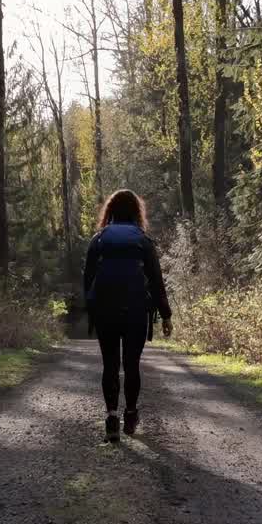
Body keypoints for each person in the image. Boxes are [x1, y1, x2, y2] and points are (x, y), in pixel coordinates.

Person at [83, 189, 172, 441]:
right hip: (135, 310)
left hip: (105, 311)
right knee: (131, 365)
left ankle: (112, 417)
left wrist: (92, 311)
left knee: (110, 364)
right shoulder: (142, 240)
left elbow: (88, 278)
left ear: (109, 211)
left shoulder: (98, 239)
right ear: (136, 212)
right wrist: (165, 315)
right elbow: (156, 281)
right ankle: (130, 415)